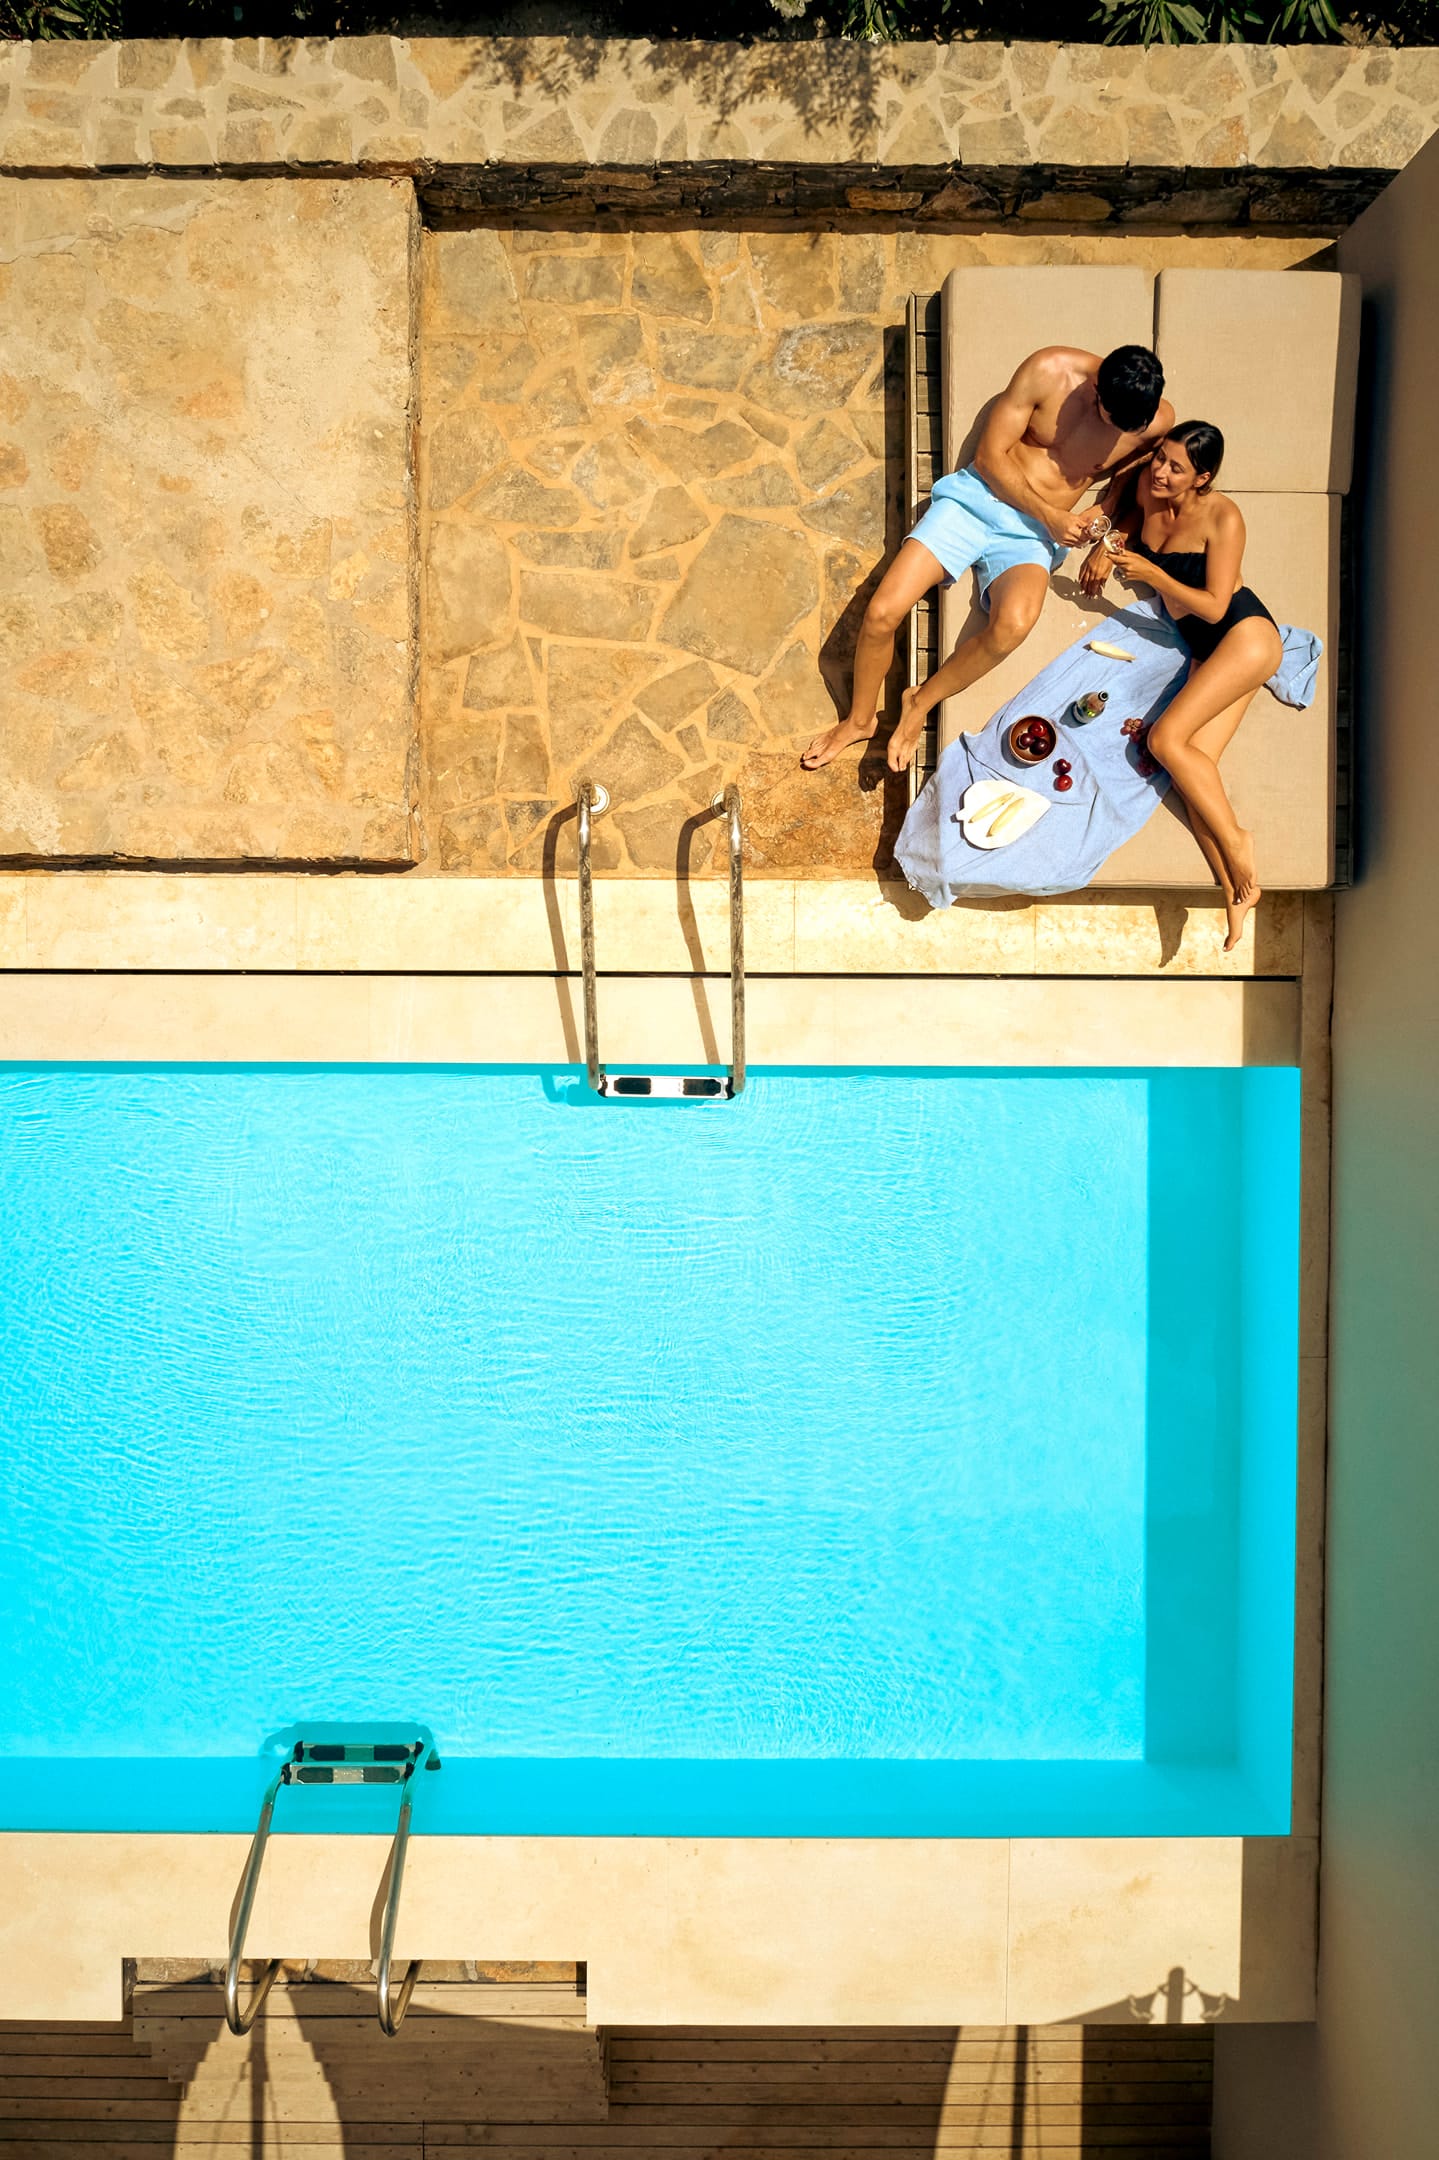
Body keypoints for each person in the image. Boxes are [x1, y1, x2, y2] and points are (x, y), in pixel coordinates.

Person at [802, 343, 1173, 775]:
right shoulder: (1048, 371)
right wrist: (1052, 516)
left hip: (1030, 538)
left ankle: (919, 701)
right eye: (1112, 419)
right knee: (882, 613)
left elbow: (1146, 470)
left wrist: (1107, 510)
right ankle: (859, 721)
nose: (1121, 433)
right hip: (976, 501)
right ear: (1097, 389)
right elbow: (989, 457)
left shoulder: (1154, 419)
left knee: (1013, 625)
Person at [1080, 419, 1280, 952]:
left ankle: (1238, 841)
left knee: (1165, 740)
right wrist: (1108, 544)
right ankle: (1237, 893)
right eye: (1160, 458)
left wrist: (1154, 575)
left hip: (1244, 638)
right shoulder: (1149, 491)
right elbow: (1126, 512)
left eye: (1176, 467)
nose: (1161, 472)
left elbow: (1214, 605)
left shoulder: (1223, 517)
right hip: (1204, 651)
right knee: (1192, 777)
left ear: (1202, 478)